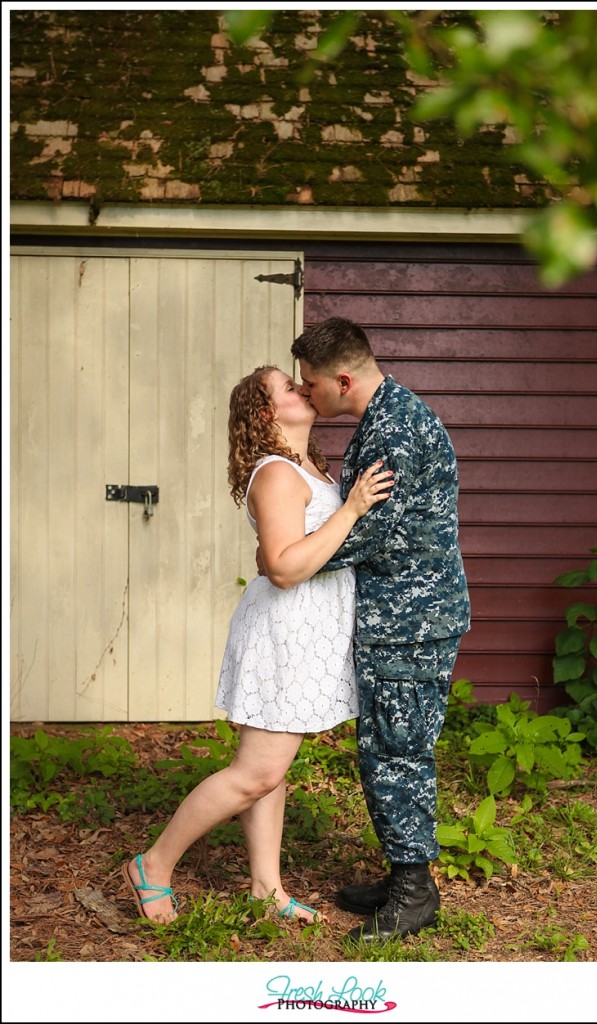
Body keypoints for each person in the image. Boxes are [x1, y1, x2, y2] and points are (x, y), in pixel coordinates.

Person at [122, 365, 393, 924]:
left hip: (302, 633)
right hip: (284, 635)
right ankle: (153, 864)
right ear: (266, 413)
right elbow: (286, 570)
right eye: (288, 388)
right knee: (259, 773)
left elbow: (286, 550)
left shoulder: (306, 467)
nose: (302, 388)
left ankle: (265, 890)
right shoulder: (276, 474)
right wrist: (353, 508)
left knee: (269, 768)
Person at [290, 317, 471, 943]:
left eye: (311, 385)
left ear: (343, 379)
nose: (306, 394)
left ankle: (416, 893)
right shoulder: (386, 414)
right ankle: (403, 878)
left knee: (397, 755)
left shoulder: (393, 429)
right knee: (387, 751)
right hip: (402, 618)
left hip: (409, 623)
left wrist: (292, 552)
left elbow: (371, 530)